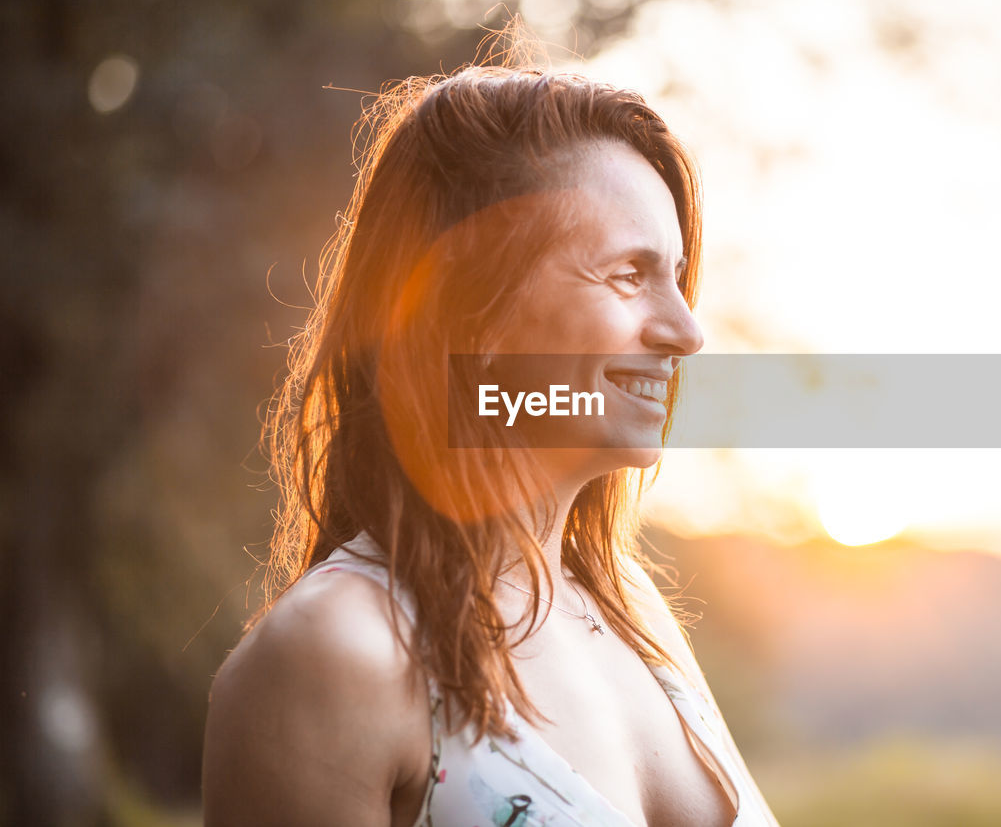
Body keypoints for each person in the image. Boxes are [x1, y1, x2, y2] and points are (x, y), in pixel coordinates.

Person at [202, 50, 780, 827]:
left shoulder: (628, 610)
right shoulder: (335, 654)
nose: (686, 330)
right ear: (470, 304)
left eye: (677, 275)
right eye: (629, 275)